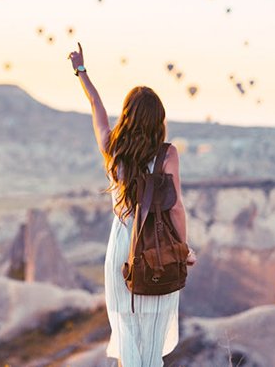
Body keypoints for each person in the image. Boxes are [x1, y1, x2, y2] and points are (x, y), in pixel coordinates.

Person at [67, 43, 196, 367]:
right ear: (158, 120)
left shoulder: (112, 147)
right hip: (156, 249)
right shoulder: (167, 154)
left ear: (126, 115)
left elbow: (95, 105)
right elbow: (176, 208)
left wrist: (81, 71)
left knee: (125, 330)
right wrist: (184, 248)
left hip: (122, 248)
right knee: (151, 336)